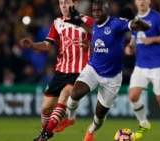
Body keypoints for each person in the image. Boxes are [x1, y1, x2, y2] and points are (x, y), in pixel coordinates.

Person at [63, 0, 150, 141]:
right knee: (75, 93)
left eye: (100, 10)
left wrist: (134, 18)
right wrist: (79, 22)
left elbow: (146, 27)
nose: (96, 13)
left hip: (112, 77)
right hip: (93, 69)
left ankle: (91, 131)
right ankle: (71, 118)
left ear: (107, 11)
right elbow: (95, 32)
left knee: (99, 115)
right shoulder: (95, 24)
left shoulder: (117, 24)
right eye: (94, 10)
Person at [19, 0, 94, 141]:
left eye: (67, 2)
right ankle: (46, 130)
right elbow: (47, 45)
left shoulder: (86, 20)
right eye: (61, 3)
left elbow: (101, 37)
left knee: (64, 96)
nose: (64, 6)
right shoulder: (57, 22)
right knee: (46, 108)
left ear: (75, 4)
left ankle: (44, 136)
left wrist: (90, 43)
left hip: (81, 71)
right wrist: (33, 45)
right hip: (61, 71)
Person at [124, 0, 160, 140]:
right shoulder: (134, 19)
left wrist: (152, 39)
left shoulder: (156, 17)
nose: (141, 2)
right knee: (133, 96)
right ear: (135, 2)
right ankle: (144, 123)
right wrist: (130, 47)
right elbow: (134, 37)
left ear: (149, 1)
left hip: (158, 66)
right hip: (140, 65)